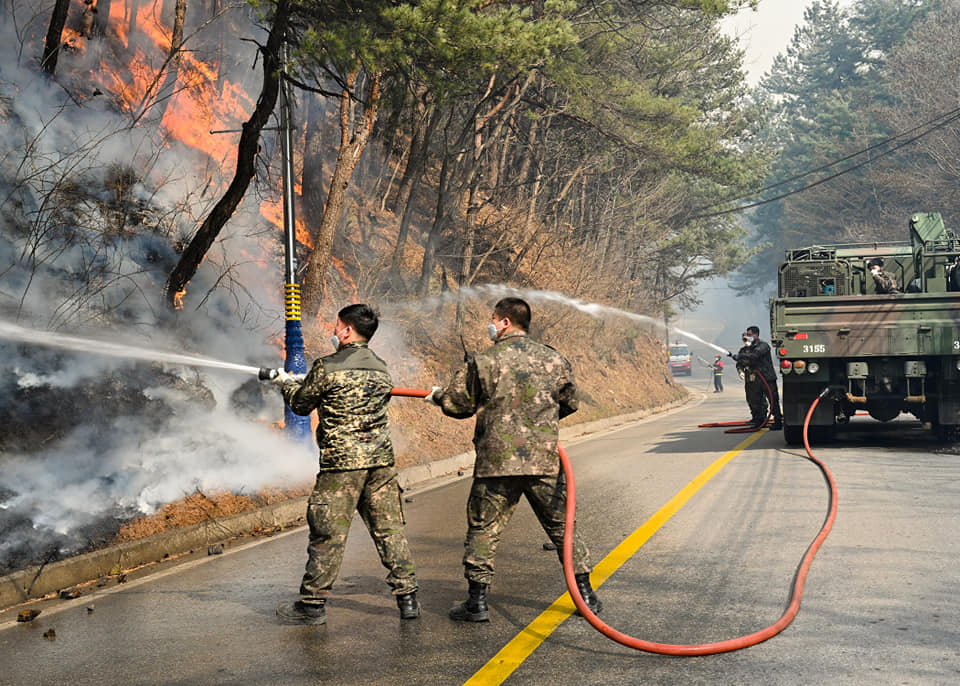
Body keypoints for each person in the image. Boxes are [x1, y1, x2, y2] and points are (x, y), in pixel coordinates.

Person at [425, 297, 602, 622]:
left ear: (505, 322)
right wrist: (537, 422)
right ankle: (586, 596)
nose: (491, 325)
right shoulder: (553, 359)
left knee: (483, 528)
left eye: (493, 319)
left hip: (496, 462)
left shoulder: (483, 362)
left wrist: (439, 395)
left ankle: (476, 603)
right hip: (542, 459)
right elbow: (570, 402)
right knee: (563, 527)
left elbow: (457, 405)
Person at [272, 304, 419, 625]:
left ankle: (312, 605)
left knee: (328, 534)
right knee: (390, 531)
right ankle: (408, 599)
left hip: (342, 465)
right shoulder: (381, 368)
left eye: (336, 325)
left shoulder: (327, 367)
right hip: (380, 463)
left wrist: (284, 381)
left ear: (347, 330)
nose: (333, 330)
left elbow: (300, 403)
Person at [730, 325, 782, 430]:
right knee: (755, 401)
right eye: (745, 336)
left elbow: (755, 355)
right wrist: (740, 367)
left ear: (756, 335)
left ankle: (778, 421)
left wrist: (740, 356)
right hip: (753, 380)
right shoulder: (744, 350)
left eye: (749, 335)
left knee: (773, 400)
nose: (746, 338)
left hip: (767, 378)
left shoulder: (763, 346)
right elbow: (742, 362)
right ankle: (759, 420)